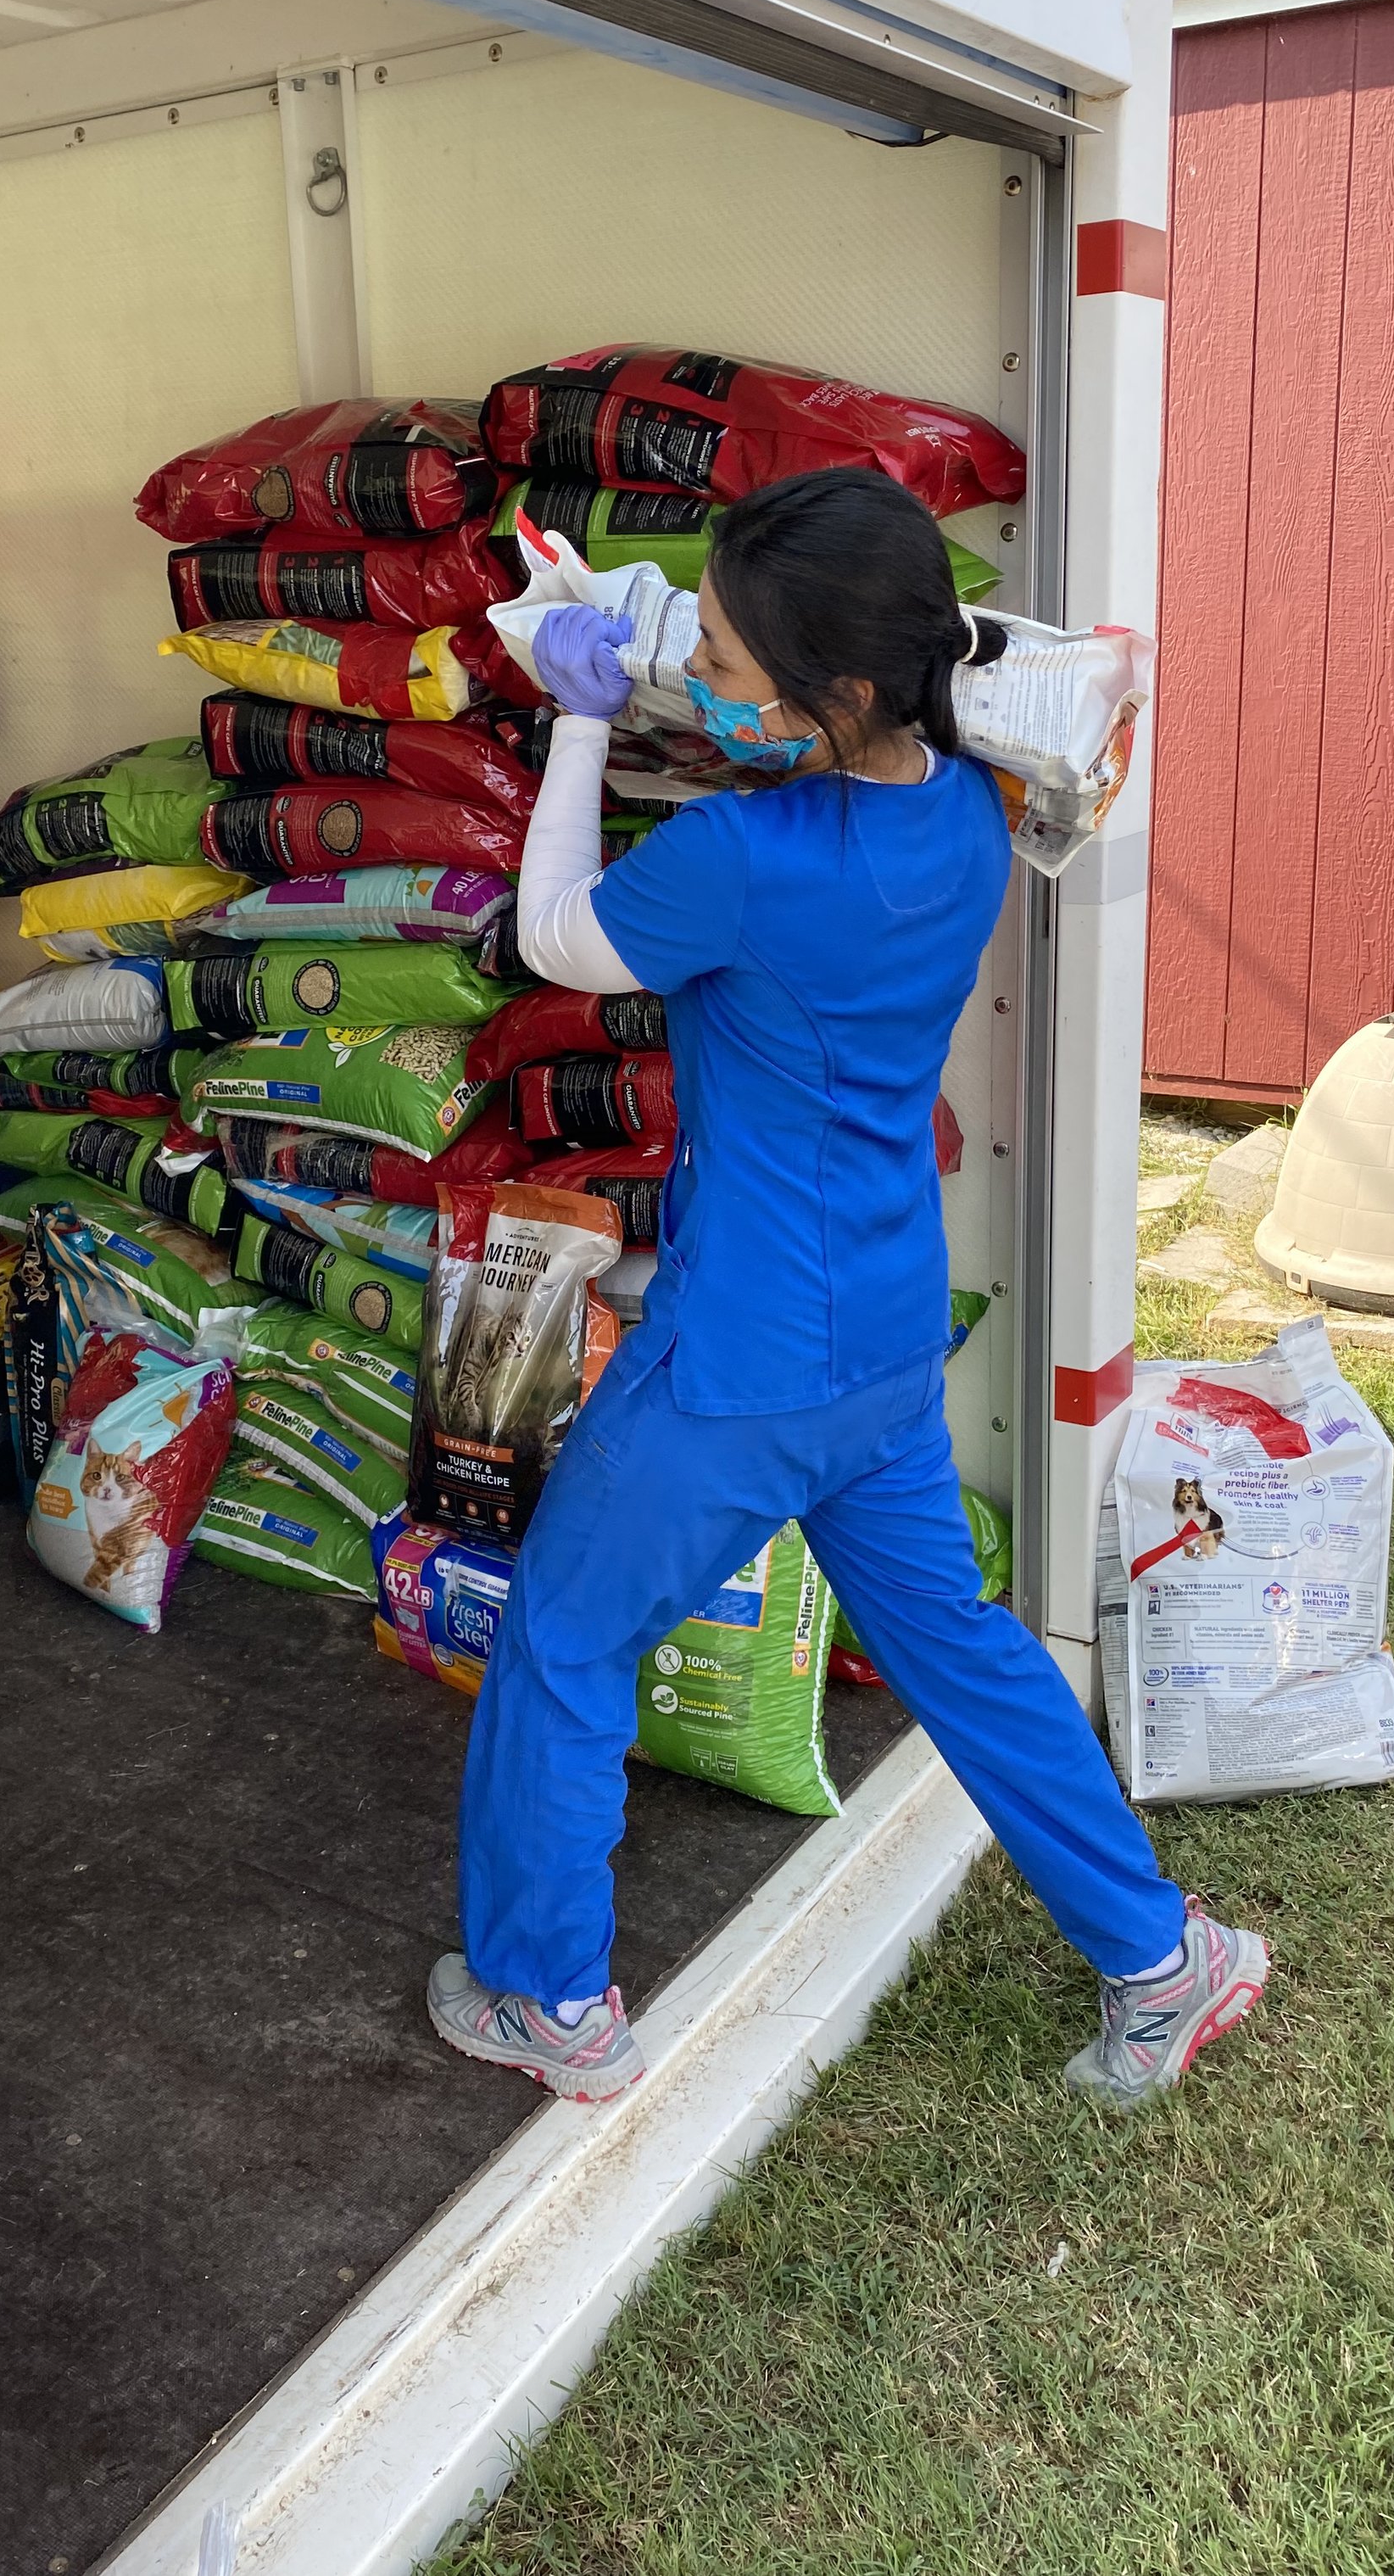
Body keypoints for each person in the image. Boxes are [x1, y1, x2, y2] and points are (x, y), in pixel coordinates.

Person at [427, 472, 1268, 2114]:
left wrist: (582, 719)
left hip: (739, 1355)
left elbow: (554, 939)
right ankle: (1164, 1957)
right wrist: (663, 652)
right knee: (959, 1647)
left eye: (733, 666)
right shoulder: (963, 807)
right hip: (877, 1328)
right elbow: (838, 728)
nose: (710, 686)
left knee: (563, 1643)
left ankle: (544, 1998)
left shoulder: (741, 850)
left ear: (849, 690)